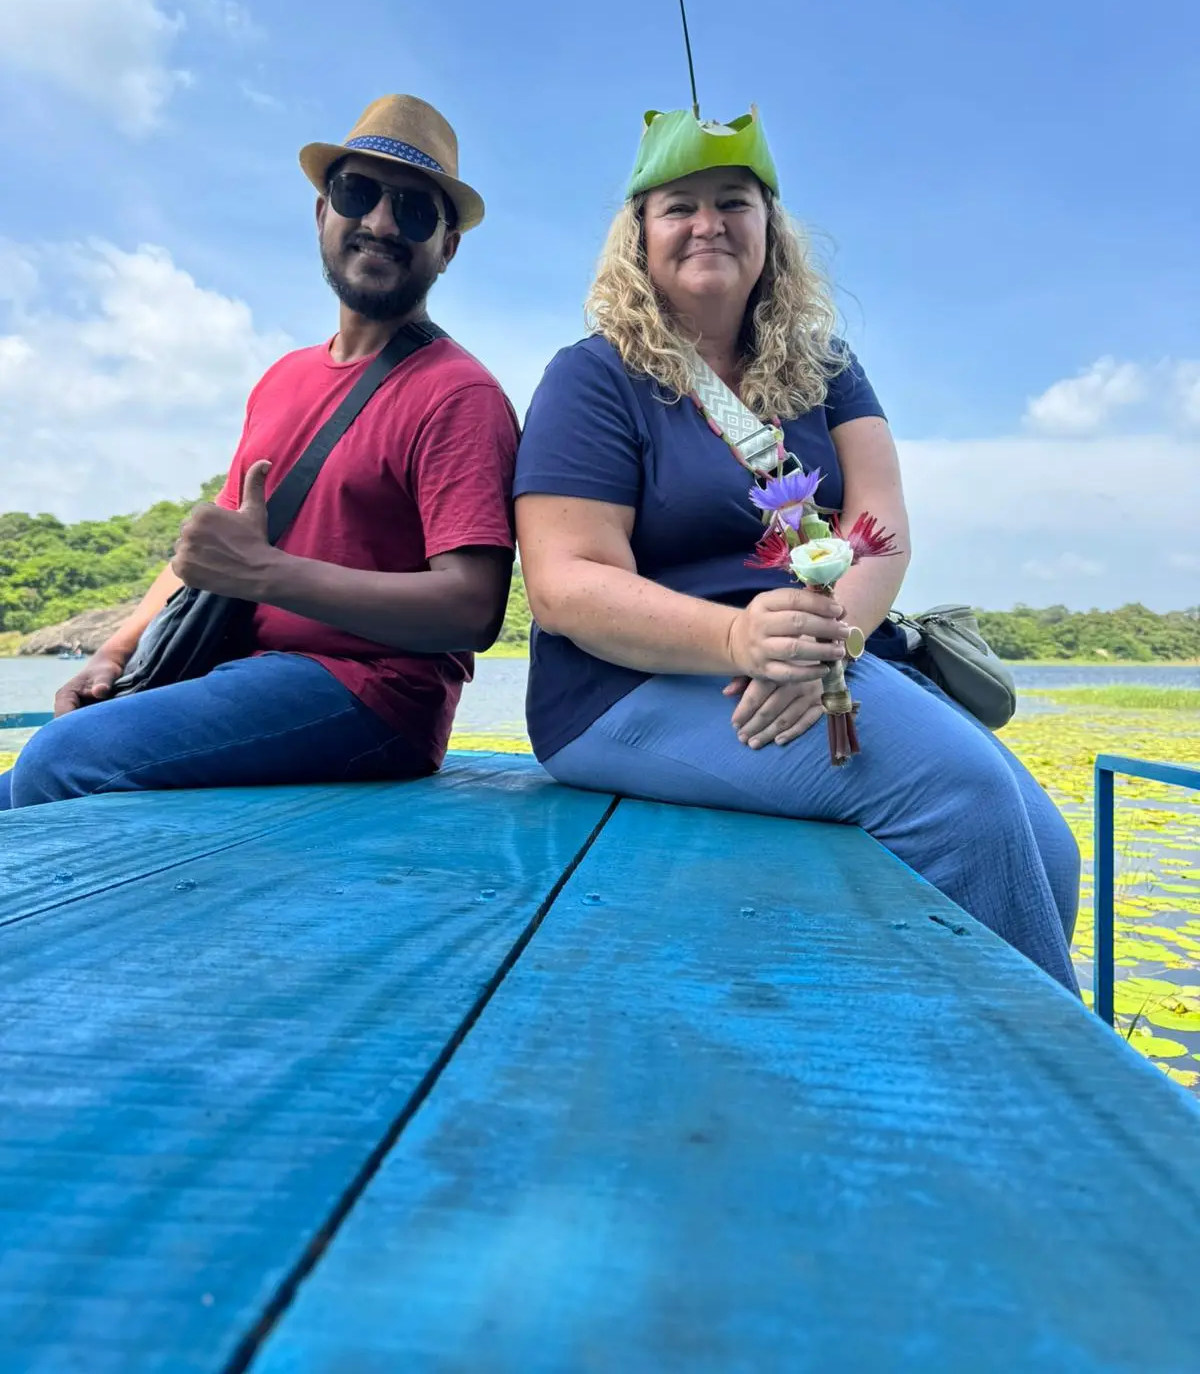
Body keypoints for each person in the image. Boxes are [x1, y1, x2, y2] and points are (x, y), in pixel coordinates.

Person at [513, 105, 1081, 993]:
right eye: (679, 206)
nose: (707, 223)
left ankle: (953, 1037)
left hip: (818, 658)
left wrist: (827, 647)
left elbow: (880, 530)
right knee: (963, 802)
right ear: (639, 237)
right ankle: (1036, 1075)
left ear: (770, 229)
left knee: (1049, 847)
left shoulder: (829, 367)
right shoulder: (591, 377)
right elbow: (566, 584)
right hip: (625, 685)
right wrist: (739, 640)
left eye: (733, 202)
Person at [1, 95, 519, 810]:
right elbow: (213, 555)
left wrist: (269, 574)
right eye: (358, 194)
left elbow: (471, 608)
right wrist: (115, 652)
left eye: (413, 210)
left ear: (447, 247)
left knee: (60, 761)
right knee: (15, 789)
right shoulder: (282, 378)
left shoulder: (460, 394)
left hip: (371, 694)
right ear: (322, 213)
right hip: (241, 671)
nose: (380, 223)